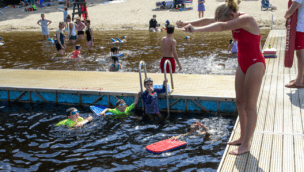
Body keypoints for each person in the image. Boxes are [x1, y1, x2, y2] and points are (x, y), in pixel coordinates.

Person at [177, 0, 266, 155]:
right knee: (239, 102)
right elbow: (211, 21)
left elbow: (222, 26)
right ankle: (242, 137)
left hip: (255, 64)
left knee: (250, 106)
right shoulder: (230, 16)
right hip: (243, 63)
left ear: (231, 14)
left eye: (225, 19)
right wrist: (187, 22)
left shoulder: (247, 19)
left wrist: (196, 31)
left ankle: (246, 144)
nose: (225, 23)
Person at [284, 0, 304, 88]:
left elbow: (291, 10)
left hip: (300, 28)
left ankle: (299, 81)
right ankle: (302, 78)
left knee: (300, 55)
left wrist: (286, 16)